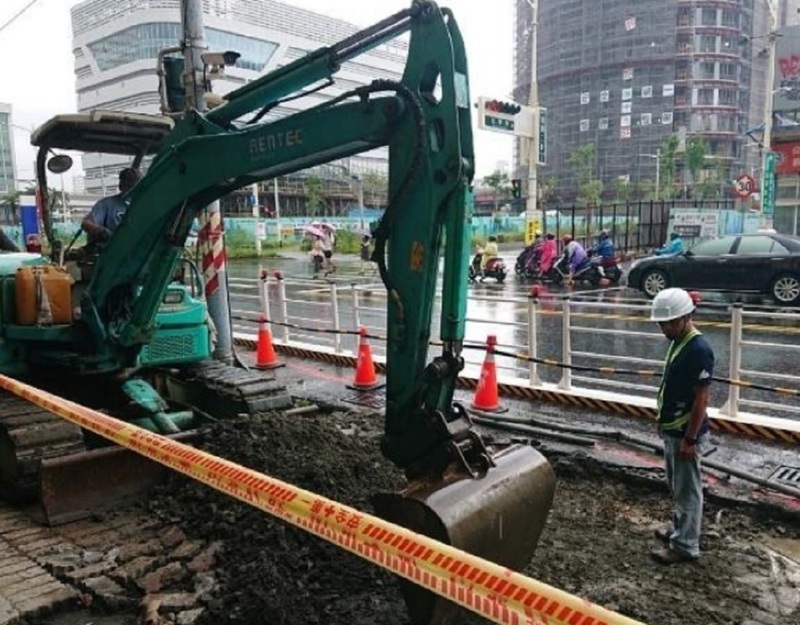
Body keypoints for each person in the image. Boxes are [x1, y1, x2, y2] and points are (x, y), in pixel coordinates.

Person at [649, 288, 714, 565]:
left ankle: (686, 545)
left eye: (671, 323)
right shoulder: (678, 341)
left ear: (687, 317)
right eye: (662, 323)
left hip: (686, 433)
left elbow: (701, 398)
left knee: (688, 490)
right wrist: (663, 422)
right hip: (673, 429)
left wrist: (690, 438)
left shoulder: (699, 350)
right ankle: (679, 529)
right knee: (676, 485)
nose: (665, 328)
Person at [81, 167, 141, 245]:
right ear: (120, 184)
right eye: (125, 182)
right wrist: (101, 231)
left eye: (131, 183)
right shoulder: (106, 204)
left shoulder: (144, 205)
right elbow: (86, 223)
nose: (128, 186)